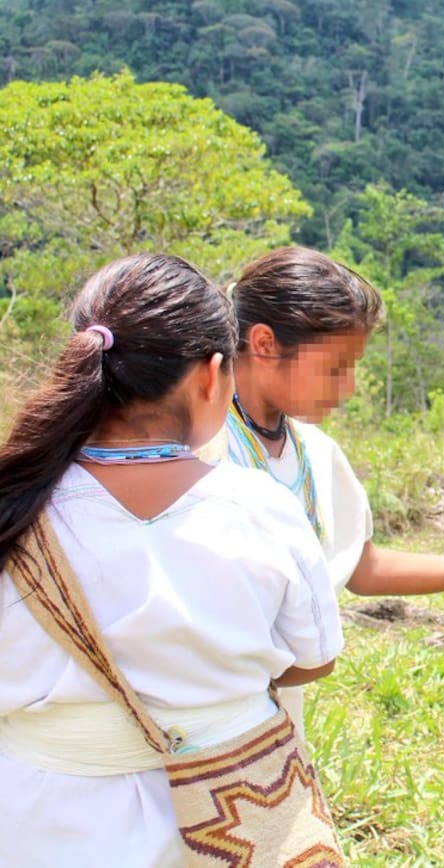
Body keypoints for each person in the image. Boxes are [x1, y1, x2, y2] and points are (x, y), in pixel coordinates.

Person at [0, 253, 344, 866]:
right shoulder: (260, 508)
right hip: (228, 818)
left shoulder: (18, 506)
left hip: (37, 821)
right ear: (212, 375)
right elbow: (312, 659)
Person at [203, 247, 444, 724]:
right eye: (334, 368)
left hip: (272, 724)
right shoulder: (198, 448)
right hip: (201, 723)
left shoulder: (315, 452)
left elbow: (361, 566)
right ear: (265, 343)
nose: (347, 388)